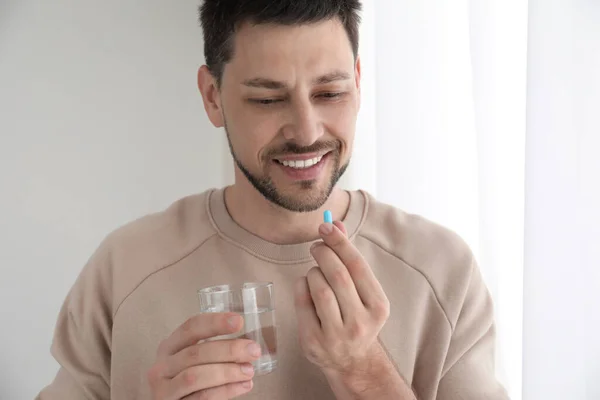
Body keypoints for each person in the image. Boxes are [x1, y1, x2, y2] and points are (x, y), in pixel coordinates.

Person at [36, 1, 509, 399]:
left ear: (359, 83)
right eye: (267, 100)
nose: (306, 131)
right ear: (212, 97)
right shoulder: (126, 268)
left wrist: (366, 374)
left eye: (330, 92)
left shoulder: (442, 271)